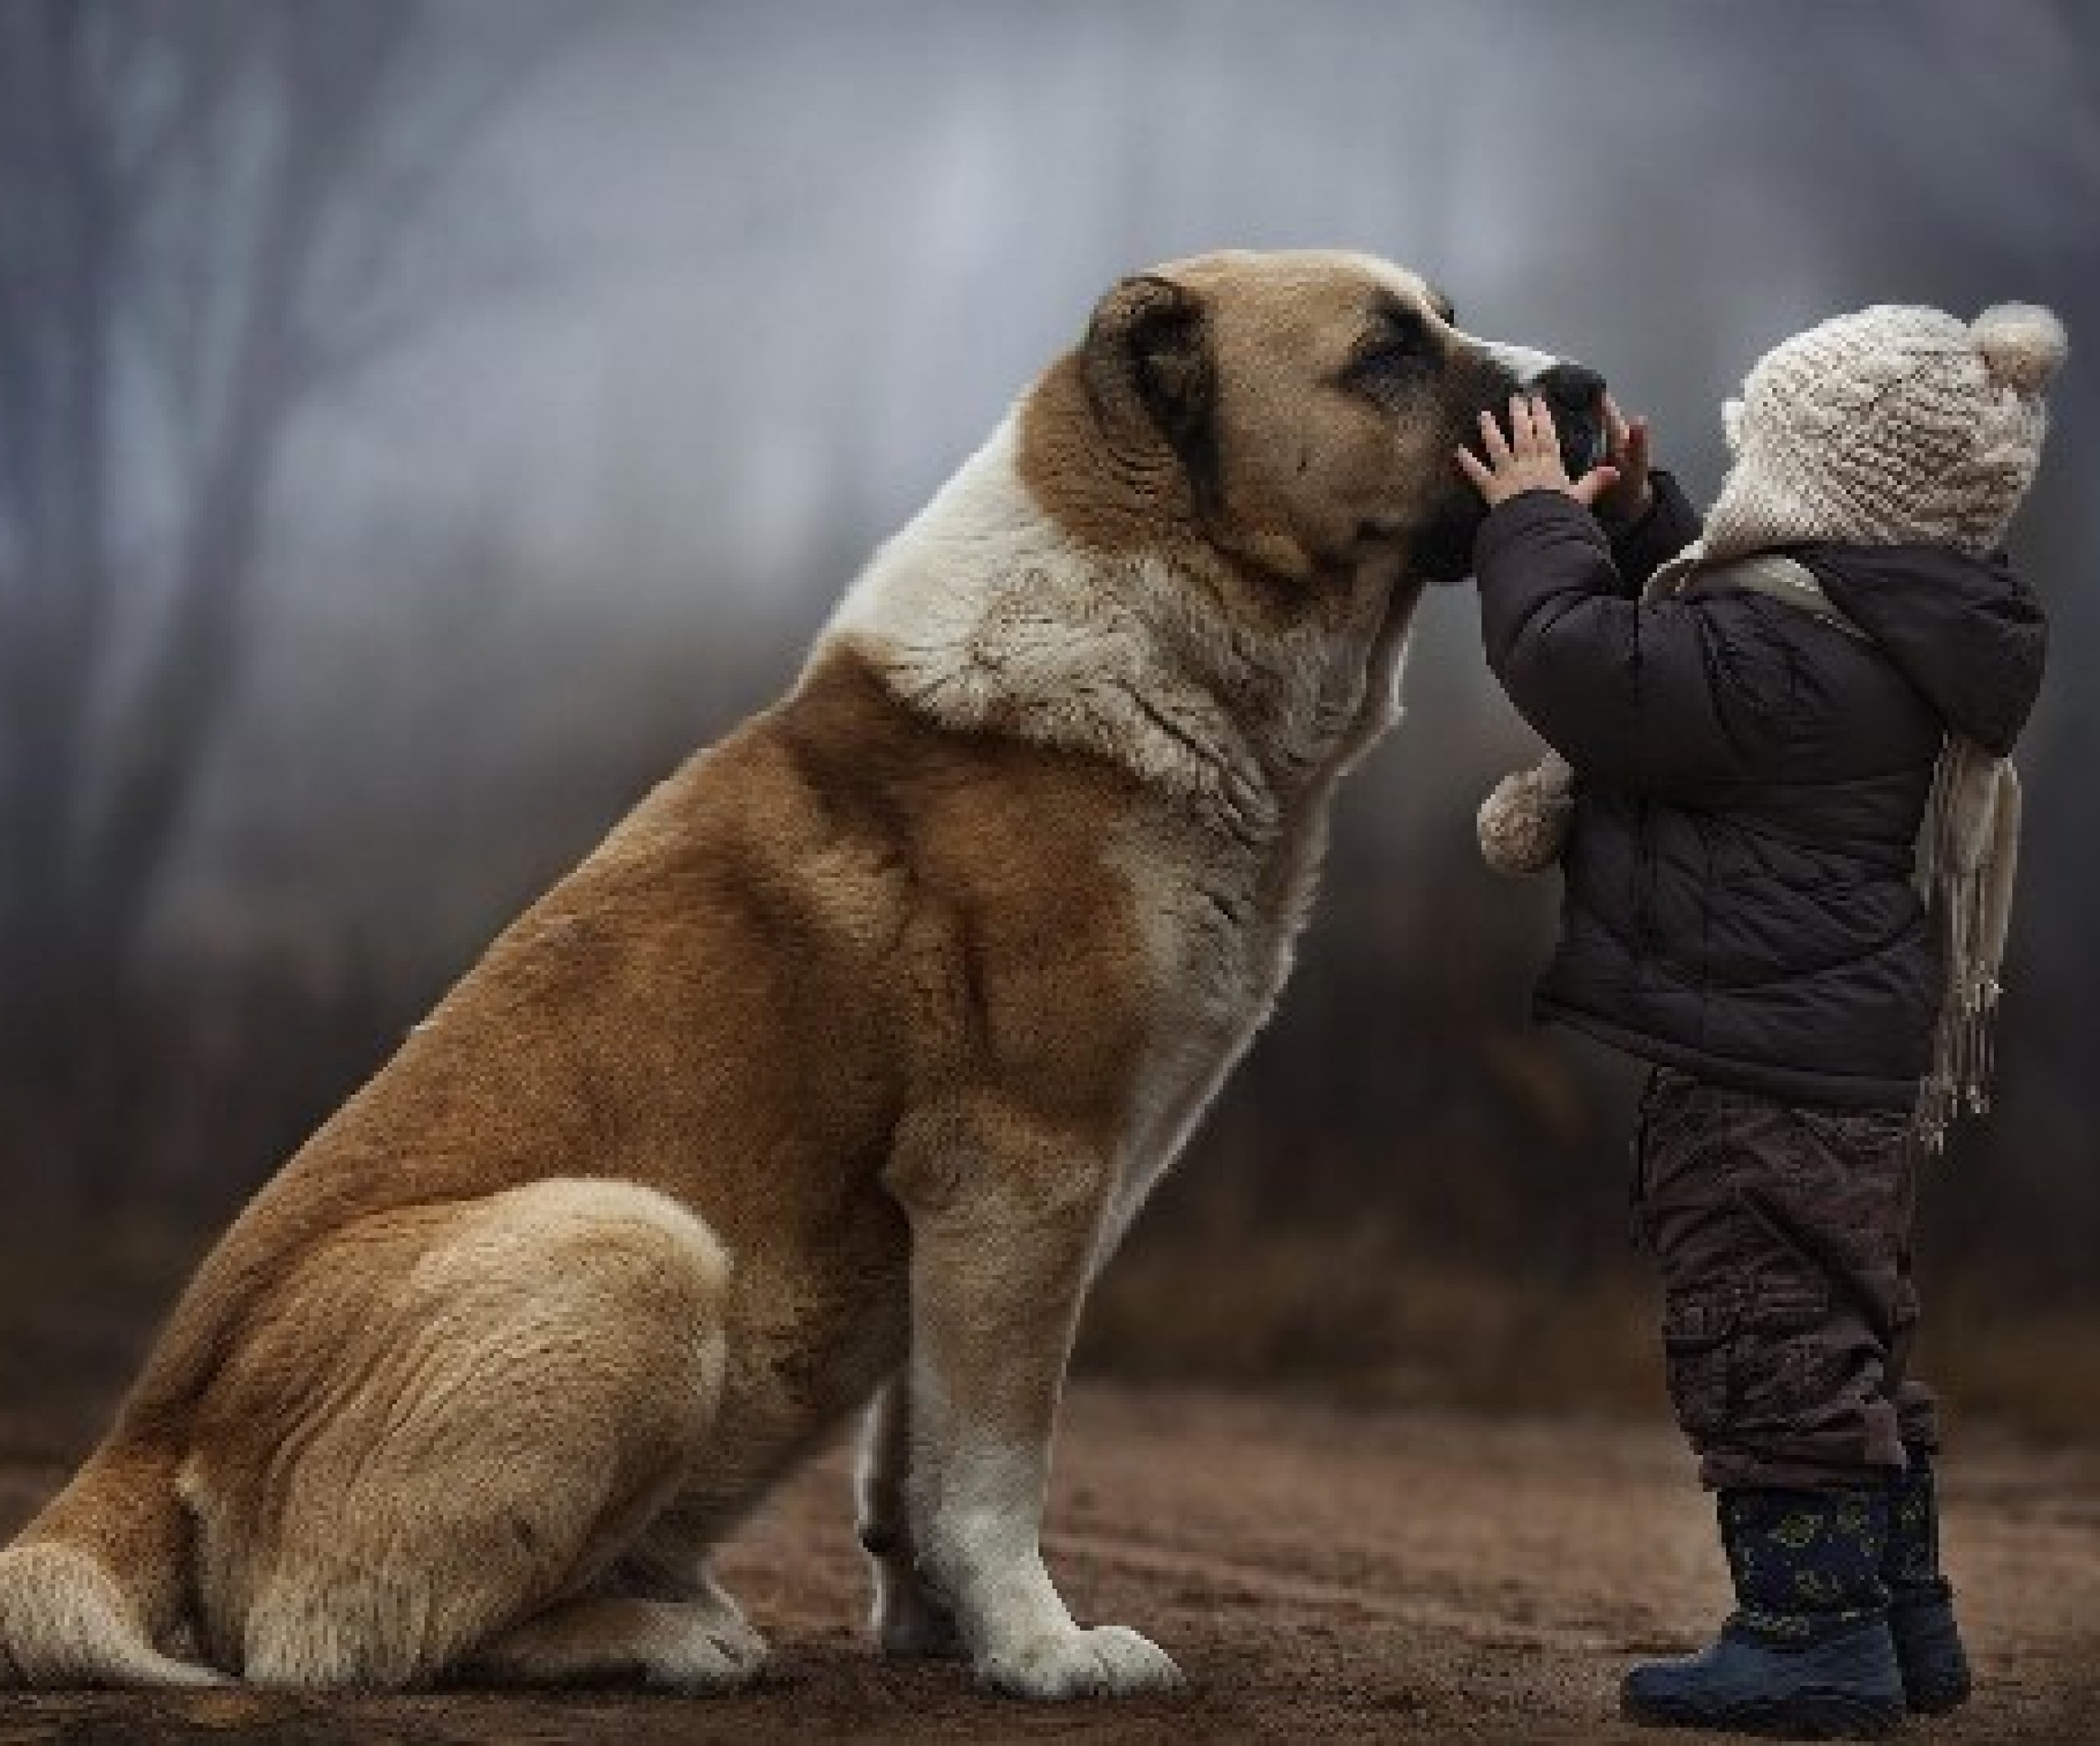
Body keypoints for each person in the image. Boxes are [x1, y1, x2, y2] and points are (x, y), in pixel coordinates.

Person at [1454, 302, 2066, 1737]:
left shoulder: (1784, 667)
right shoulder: (1868, 633)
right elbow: (1702, 634)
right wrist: (1635, 519)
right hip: (1832, 1059)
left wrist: (1534, 523)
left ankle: (1810, 1638)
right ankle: (1902, 1619)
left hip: (1758, 1070)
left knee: (1765, 1335)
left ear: (1823, 484)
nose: (1737, 487)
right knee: (1843, 1329)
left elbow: (1575, 661)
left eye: (1758, 456)